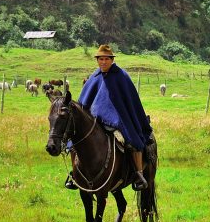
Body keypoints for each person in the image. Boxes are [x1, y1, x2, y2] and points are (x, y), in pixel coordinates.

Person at [65, 44, 152, 190]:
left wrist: (117, 117)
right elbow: (84, 101)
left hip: (118, 119)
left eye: (106, 59)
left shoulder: (121, 76)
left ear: (112, 60)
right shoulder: (95, 76)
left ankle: (139, 174)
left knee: (130, 140)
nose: (103, 62)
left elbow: (130, 101)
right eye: (100, 59)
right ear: (97, 60)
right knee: (75, 142)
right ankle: (75, 174)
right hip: (93, 120)